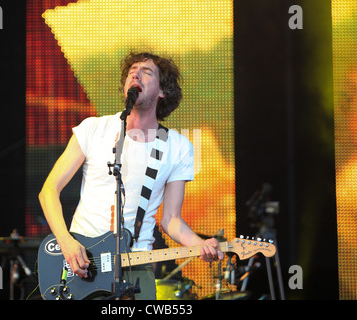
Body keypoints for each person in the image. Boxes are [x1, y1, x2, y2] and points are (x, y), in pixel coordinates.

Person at [38, 52, 224, 300]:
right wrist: (66, 242)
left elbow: (170, 220)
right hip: (81, 261)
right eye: (132, 71)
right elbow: (49, 190)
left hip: (137, 265)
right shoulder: (93, 128)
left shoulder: (177, 147)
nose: (135, 74)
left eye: (146, 72)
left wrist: (199, 244)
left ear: (162, 92)